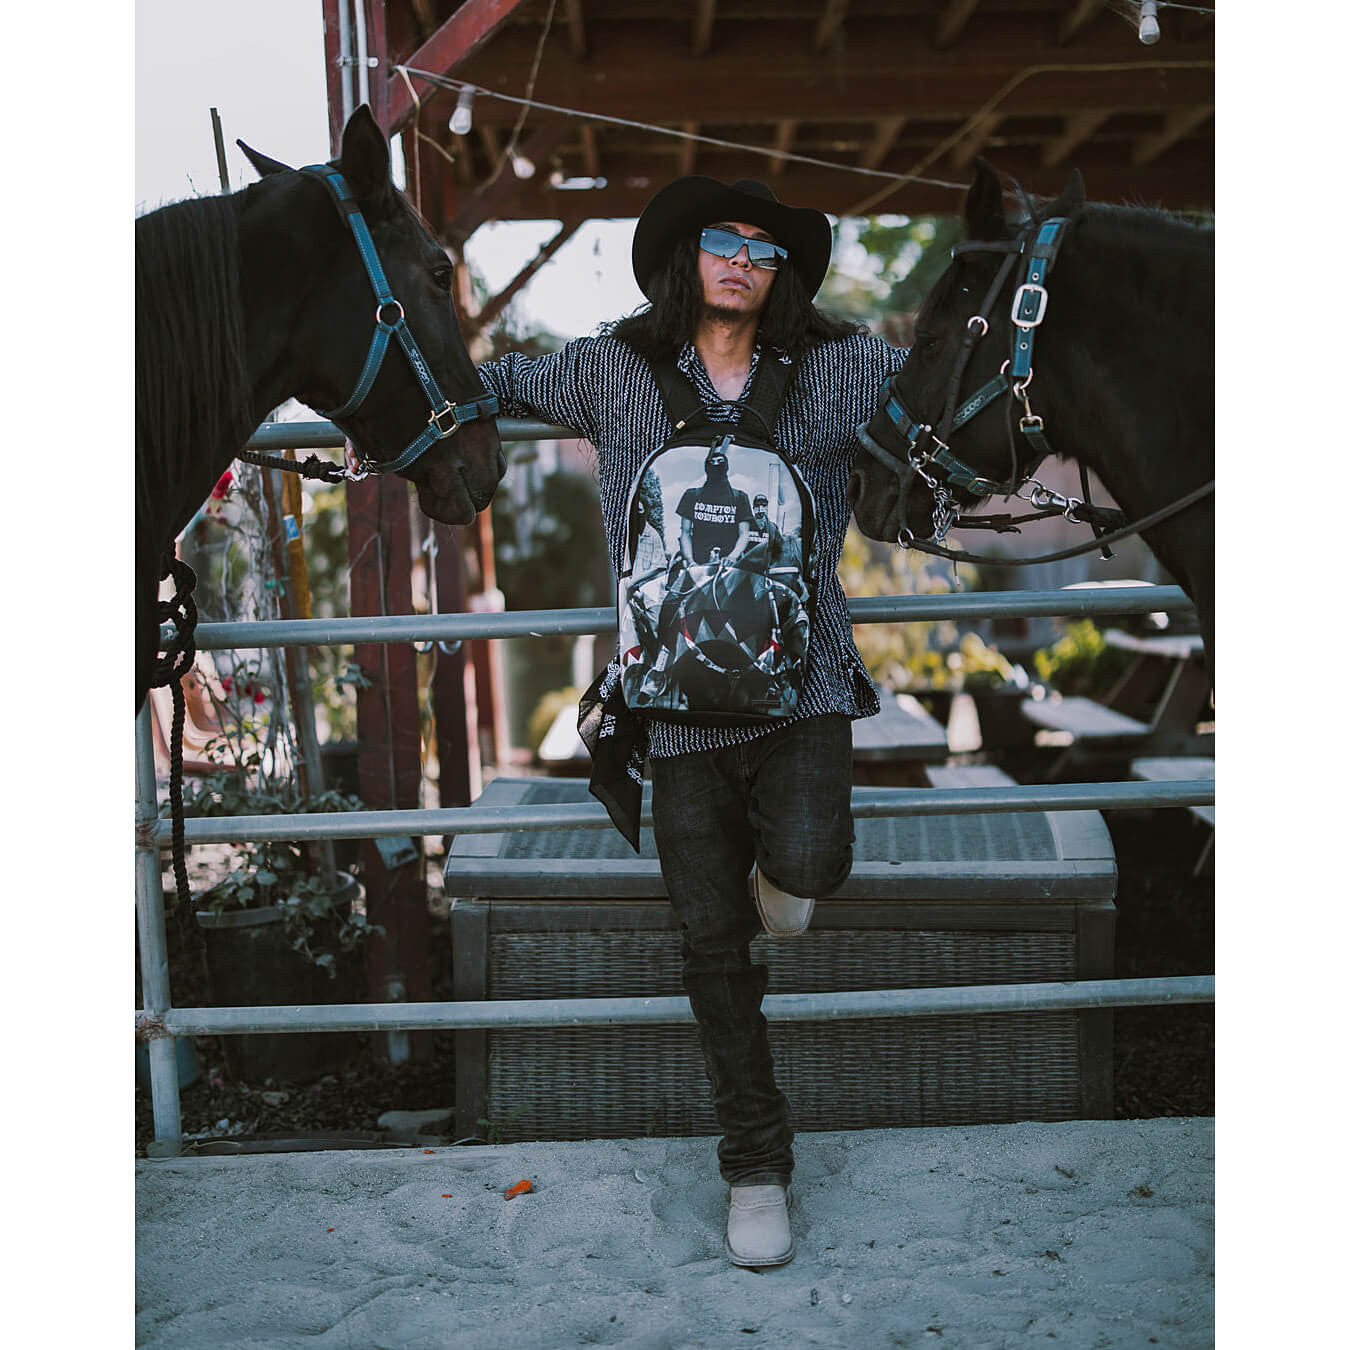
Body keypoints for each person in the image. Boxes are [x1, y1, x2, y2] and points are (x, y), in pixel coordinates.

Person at [475, 175, 906, 1268]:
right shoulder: (611, 370)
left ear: (783, 275)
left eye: (765, 249)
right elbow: (496, 381)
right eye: (724, 240)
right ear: (686, 256)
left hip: (804, 683)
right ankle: (755, 1165)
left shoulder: (844, 368)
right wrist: (384, 426)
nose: (743, 260)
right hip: (671, 703)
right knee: (714, 948)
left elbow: (947, 384)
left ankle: (783, 884)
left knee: (811, 865)